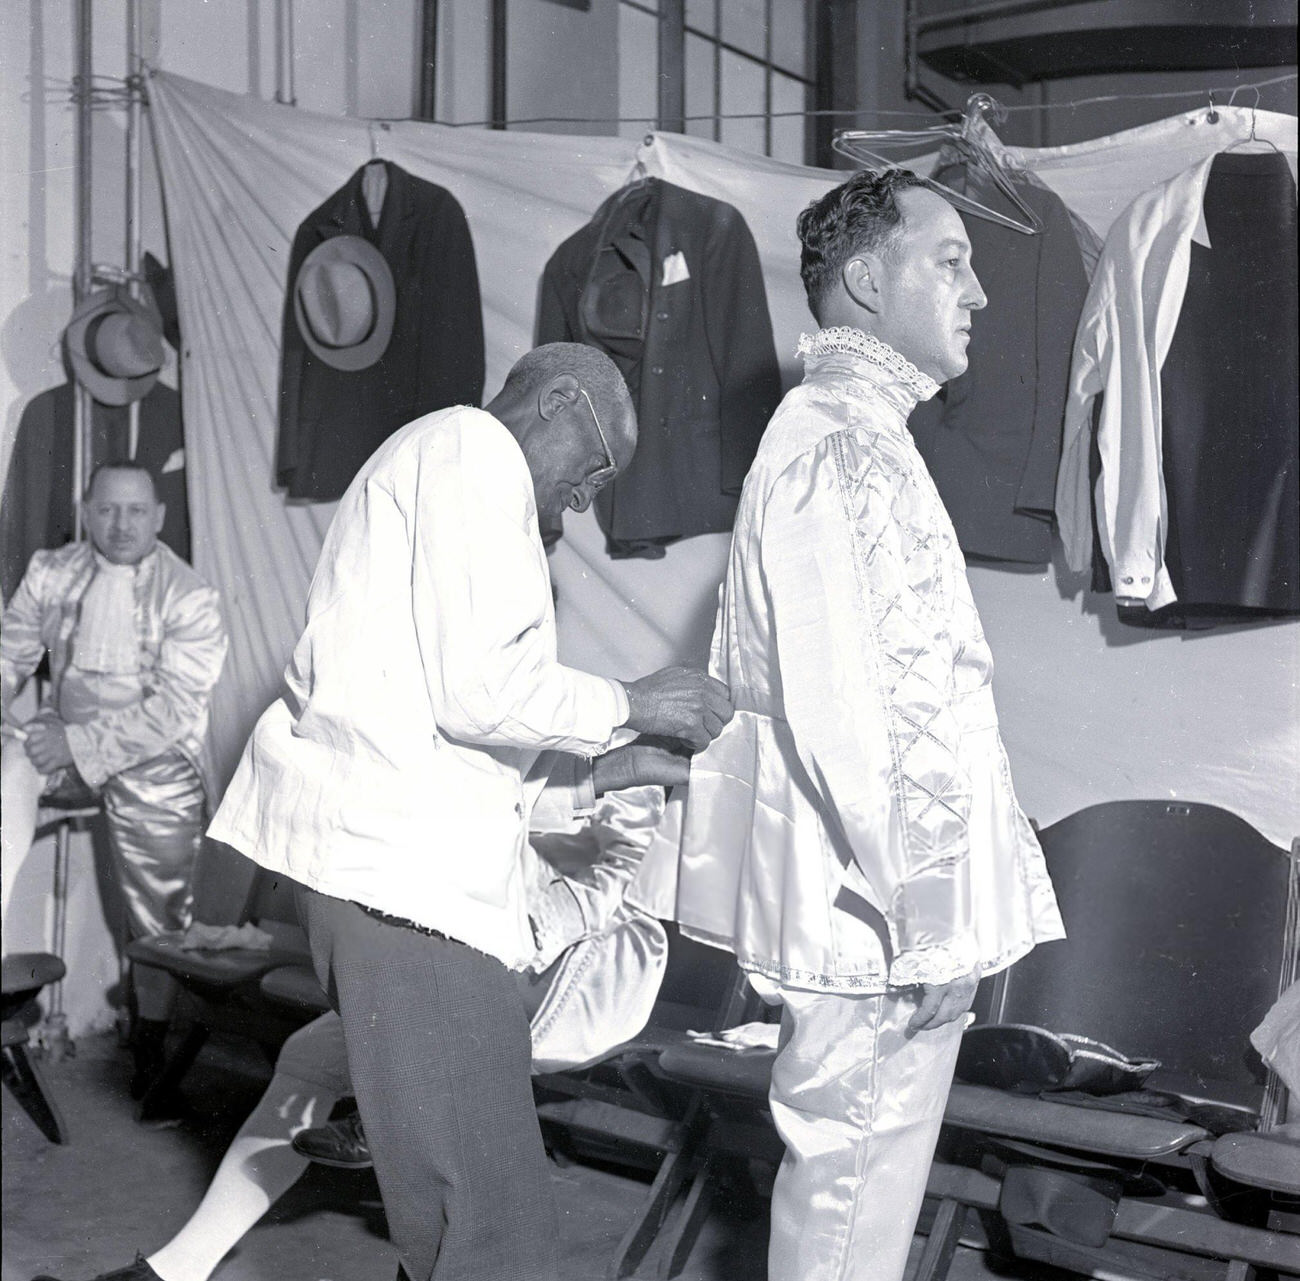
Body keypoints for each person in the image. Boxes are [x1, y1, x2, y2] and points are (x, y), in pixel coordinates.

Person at [207, 342, 733, 1281]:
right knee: (494, 1237)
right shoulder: (472, 448)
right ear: (558, 401)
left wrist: (622, 756)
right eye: (597, 468)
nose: (584, 499)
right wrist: (632, 702)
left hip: (393, 880)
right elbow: (482, 689)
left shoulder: (438, 464)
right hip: (405, 895)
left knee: (465, 1218)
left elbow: (458, 733)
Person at [648, 171, 1066, 1281]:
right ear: (869, 281)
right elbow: (857, 715)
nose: (977, 293)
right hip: (875, 922)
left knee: (849, 1211)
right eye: (951, 261)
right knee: (848, 1225)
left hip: (861, 909)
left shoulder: (848, 432)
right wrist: (929, 918)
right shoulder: (842, 445)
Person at [31, 786, 675, 1281]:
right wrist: (257, 936)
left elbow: (619, 876)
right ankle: (176, 1270)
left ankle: (396, 1101)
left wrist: (508, 940)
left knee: (434, 1097)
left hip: (583, 965)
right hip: (480, 957)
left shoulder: (600, 728)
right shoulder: (468, 720)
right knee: (310, 1053)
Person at [1, 460, 227, 1097]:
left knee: (159, 910)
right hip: (61, 740)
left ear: (157, 517)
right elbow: (10, 651)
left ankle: (152, 1041)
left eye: (135, 511)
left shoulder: (190, 597)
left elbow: (175, 712)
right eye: (106, 509)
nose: (121, 524)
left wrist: (73, 742)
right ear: (86, 509)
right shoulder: (52, 571)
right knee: (6, 779)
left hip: (158, 756)